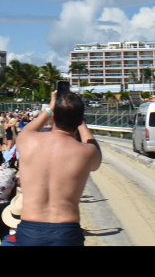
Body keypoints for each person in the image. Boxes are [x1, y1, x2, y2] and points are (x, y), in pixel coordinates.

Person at [15, 91, 101, 246]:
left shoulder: (26, 140)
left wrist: (49, 108)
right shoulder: (87, 152)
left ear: (53, 117)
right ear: (80, 120)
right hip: (66, 231)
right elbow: (95, 150)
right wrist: (80, 122)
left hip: (31, 229)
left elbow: (29, 128)